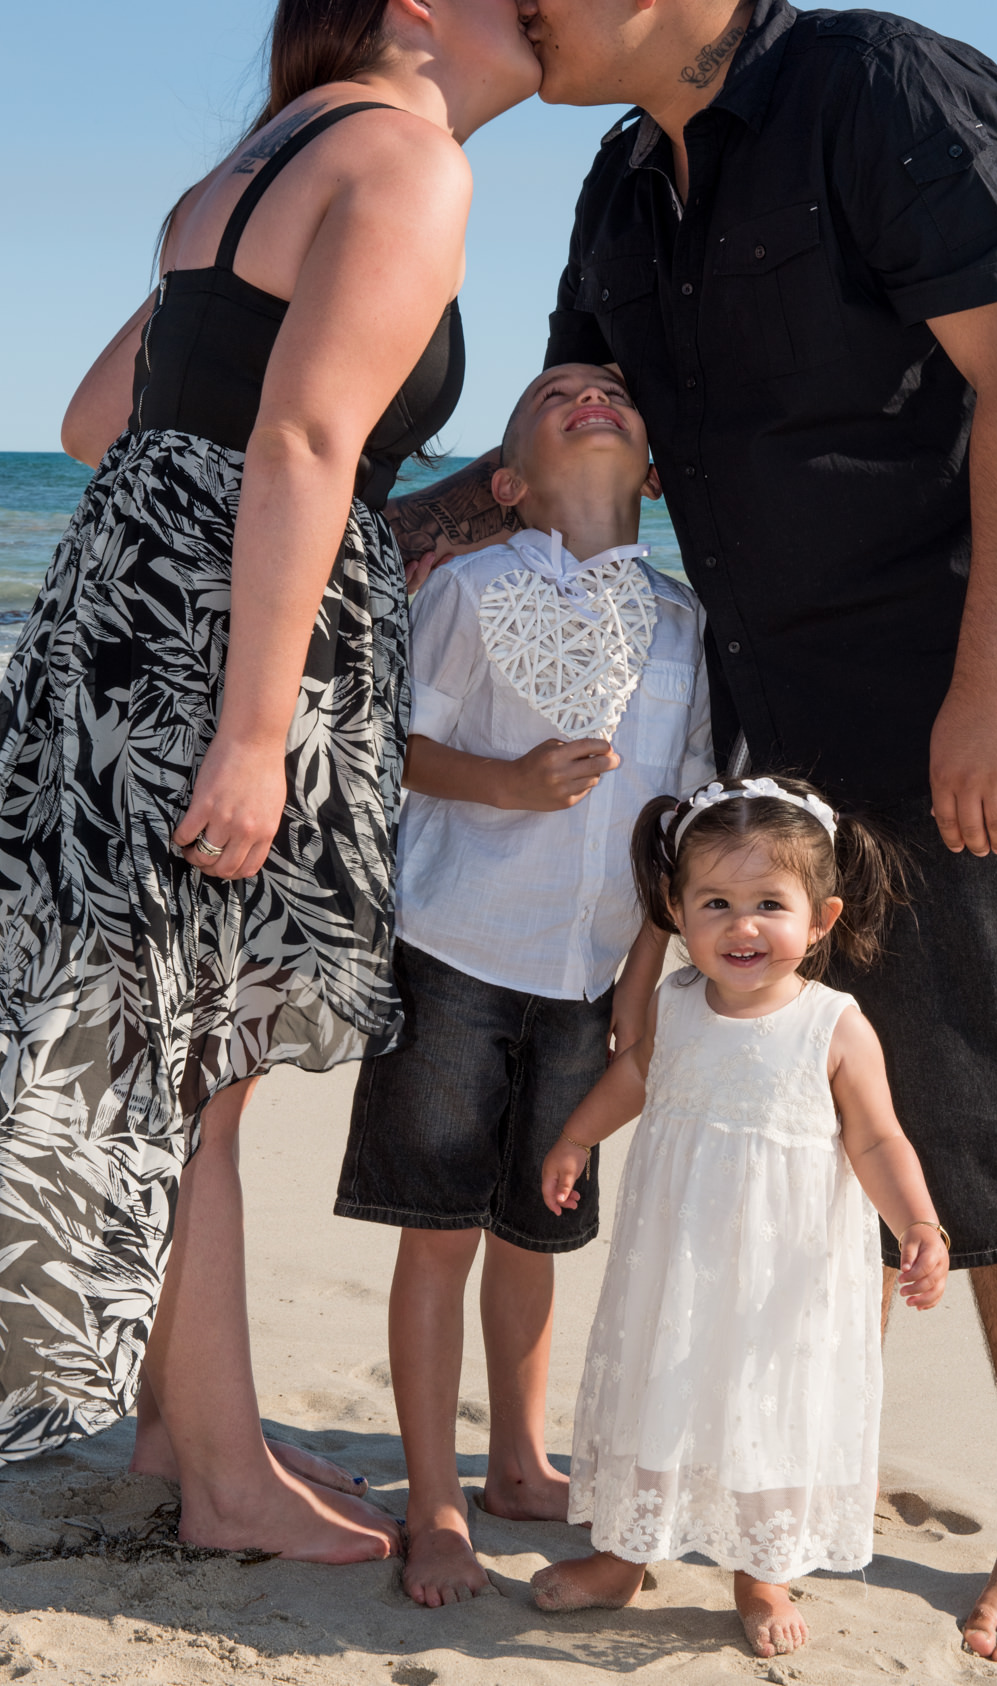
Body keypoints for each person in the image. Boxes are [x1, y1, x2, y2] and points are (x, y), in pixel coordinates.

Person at [384, 0, 997, 1666]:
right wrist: (340, 540)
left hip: (942, 688)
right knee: (765, 1129)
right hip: (753, 715)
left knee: (991, 1098)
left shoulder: (883, 90)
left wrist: (987, 687)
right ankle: (740, 1496)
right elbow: (566, 424)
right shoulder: (627, 184)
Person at [0, 0, 541, 1562]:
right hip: (223, 652)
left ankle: (186, 1424)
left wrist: (393, 518)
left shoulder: (238, 171)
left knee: (169, 1046)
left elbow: (102, 422)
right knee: (202, 1059)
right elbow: (299, 438)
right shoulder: (407, 158)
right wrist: (254, 724)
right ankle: (221, 1479)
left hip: (113, 614)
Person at [333, 360, 713, 1605]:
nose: (592, 390)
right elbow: (397, 744)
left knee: (537, 1224)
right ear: (507, 482)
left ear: (652, 472)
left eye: (612, 387)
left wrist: (645, 981)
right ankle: (436, 1498)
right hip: (456, 949)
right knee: (440, 1229)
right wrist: (503, 783)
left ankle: (519, 1460)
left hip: (590, 972)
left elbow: (687, 828)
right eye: (556, 394)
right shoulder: (474, 588)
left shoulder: (682, 624)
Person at [530, 775, 948, 1658]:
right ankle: (621, 1556)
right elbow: (636, 1077)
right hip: (676, 1255)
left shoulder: (834, 1025)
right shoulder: (676, 1006)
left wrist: (920, 1225)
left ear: (821, 919)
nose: (742, 925)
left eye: (770, 904)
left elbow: (877, 1141)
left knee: (767, 1401)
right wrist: (575, 1138)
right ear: (678, 913)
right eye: (715, 902)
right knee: (658, 1383)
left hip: (780, 1275)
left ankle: (760, 1571)